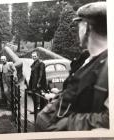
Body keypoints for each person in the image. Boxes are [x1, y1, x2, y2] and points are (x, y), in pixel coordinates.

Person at [36, 2, 108, 131]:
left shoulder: (108, 66)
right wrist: (59, 96)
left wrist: (60, 126)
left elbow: (108, 120)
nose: (77, 30)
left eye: (79, 25)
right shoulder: (86, 59)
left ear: (86, 27)